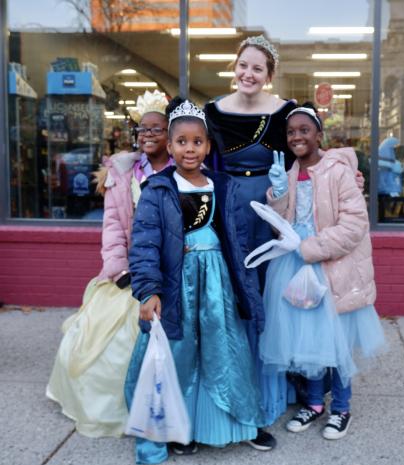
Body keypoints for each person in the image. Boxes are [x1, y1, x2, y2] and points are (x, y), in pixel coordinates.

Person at [204, 35, 366, 436]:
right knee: (236, 288)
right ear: (234, 66)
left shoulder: (285, 112)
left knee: (282, 299)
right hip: (230, 207)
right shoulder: (212, 111)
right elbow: (192, 156)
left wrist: (347, 169)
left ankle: (294, 386)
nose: (249, 73)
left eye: (258, 68)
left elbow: (311, 153)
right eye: (243, 65)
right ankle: (240, 376)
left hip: (279, 210)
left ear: (269, 75)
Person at [125, 98, 266, 464]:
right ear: (170, 146)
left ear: (208, 145)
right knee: (179, 353)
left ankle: (225, 424)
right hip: (177, 285)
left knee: (223, 348)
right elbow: (145, 243)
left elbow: (236, 238)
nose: (191, 149)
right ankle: (178, 429)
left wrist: (244, 285)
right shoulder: (157, 189)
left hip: (216, 280)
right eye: (182, 141)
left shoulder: (222, 185)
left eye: (198, 141)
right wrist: (148, 290)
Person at [46, 90, 171, 437]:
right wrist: (119, 270)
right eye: (142, 129)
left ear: (171, 133)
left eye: (156, 129)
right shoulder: (123, 173)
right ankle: (121, 409)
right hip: (130, 275)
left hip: (172, 273)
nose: (146, 135)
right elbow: (113, 227)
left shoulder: (185, 171)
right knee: (101, 342)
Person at [261, 106, 386, 440]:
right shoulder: (289, 171)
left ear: (319, 135)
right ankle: (314, 403)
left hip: (332, 265)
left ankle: (341, 408)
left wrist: (311, 248)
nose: (297, 137)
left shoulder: (338, 171)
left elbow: (355, 223)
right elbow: (284, 220)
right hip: (295, 266)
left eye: (304, 130)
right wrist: (277, 194)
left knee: (337, 341)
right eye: (291, 132)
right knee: (309, 337)